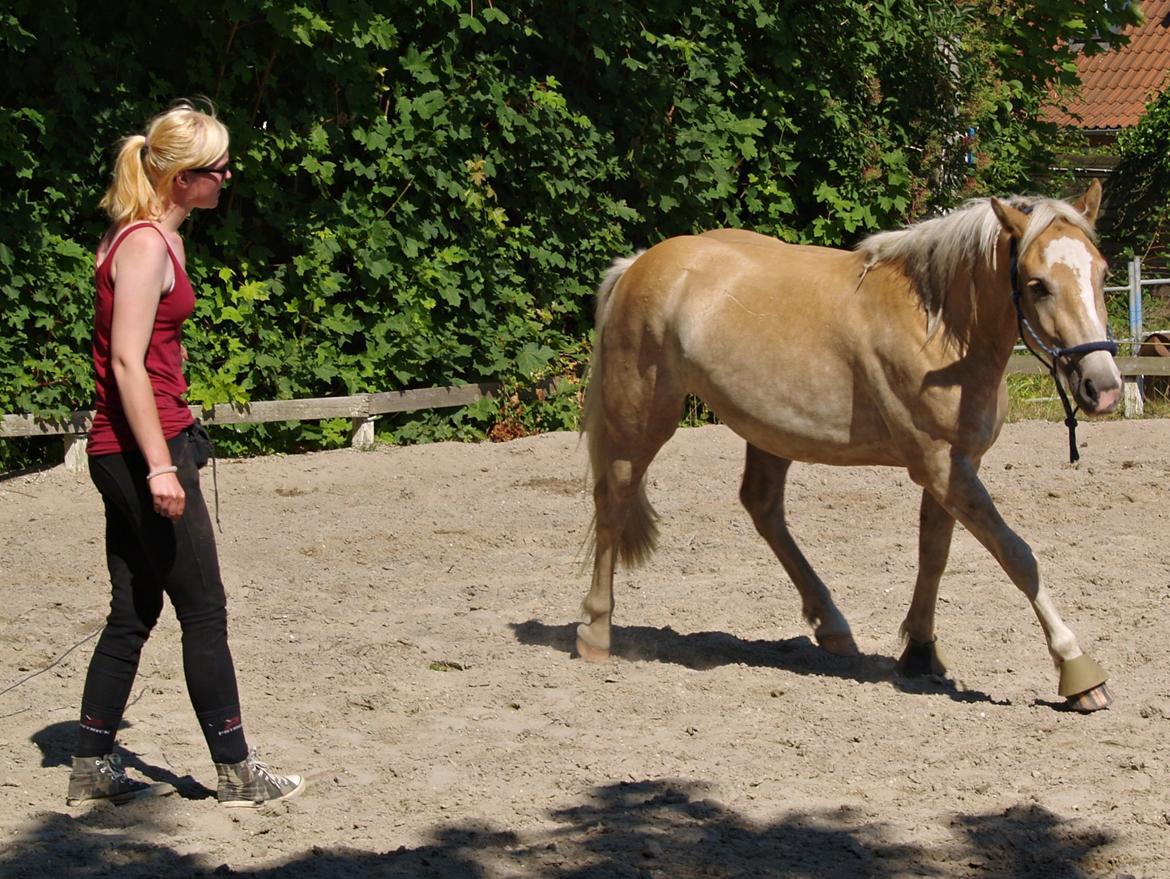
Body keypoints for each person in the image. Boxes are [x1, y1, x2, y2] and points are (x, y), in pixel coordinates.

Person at [68, 100, 304, 809]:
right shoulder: (143, 244)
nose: (227, 177)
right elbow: (126, 362)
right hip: (142, 446)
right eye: (216, 168)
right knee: (204, 608)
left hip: (139, 440)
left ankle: (90, 762)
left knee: (133, 610)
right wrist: (162, 465)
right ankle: (236, 767)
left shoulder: (150, 237)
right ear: (181, 181)